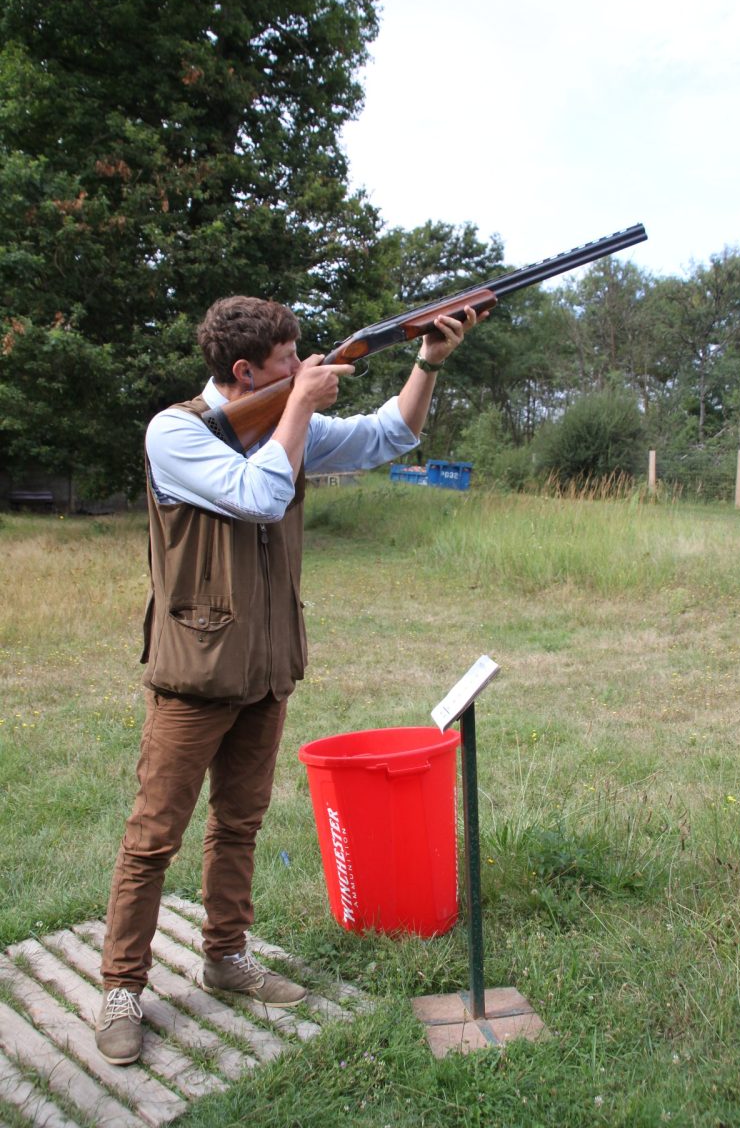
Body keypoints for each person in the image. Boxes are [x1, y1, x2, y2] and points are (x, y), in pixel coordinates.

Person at [95, 293, 485, 1064]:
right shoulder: (175, 432)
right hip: (196, 671)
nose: (306, 367)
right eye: (288, 362)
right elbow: (260, 495)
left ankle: (226, 956)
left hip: (267, 665)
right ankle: (121, 987)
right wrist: (301, 406)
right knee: (153, 836)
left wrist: (427, 363)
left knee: (239, 823)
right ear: (246, 373)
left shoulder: (283, 420)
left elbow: (389, 435)